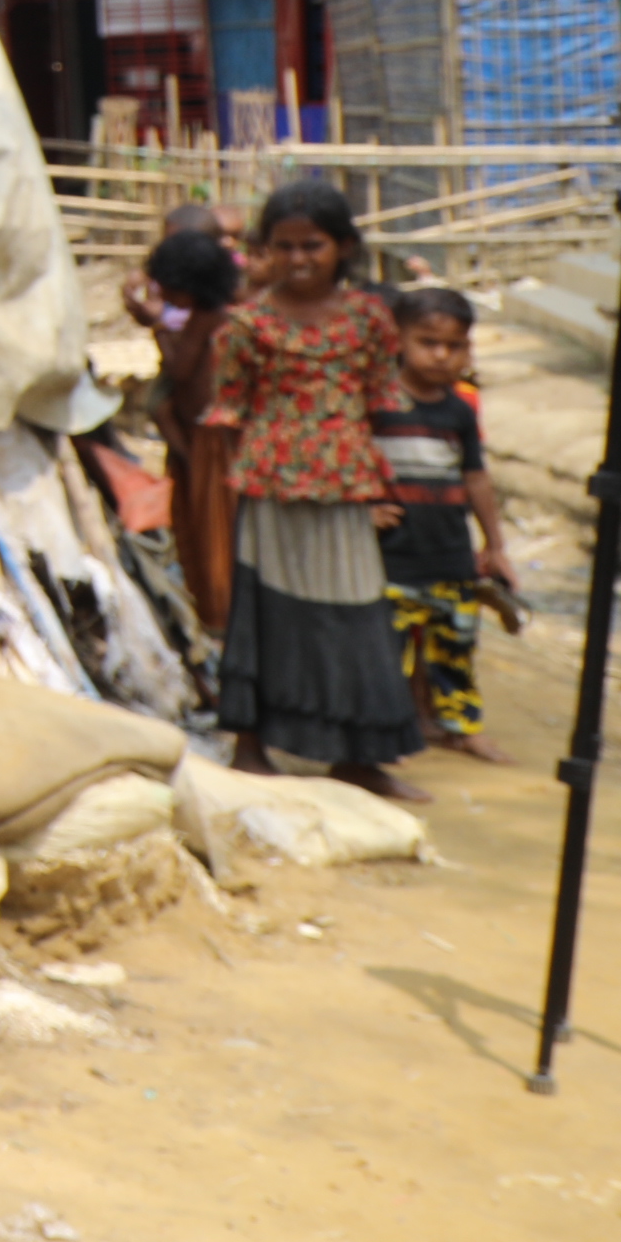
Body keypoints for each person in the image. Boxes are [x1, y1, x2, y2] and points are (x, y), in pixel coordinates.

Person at [201, 178, 422, 797]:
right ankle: (251, 747)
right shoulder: (247, 325)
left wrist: (386, 485)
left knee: (354, 612)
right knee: (266, 608)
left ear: (343, 247)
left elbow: (380, 399)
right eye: (285, 246)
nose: (298, 259)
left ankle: (358, 757)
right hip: (270, 484)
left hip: (346, 483)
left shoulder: (369, 319)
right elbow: (230, 412)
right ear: (265, 250)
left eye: (312, 246)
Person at [376, 285, 525, 761]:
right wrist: (364, 510)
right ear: (398, 340)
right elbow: (352, 464)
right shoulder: (377, 404)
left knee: (455, 646)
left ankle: (462, 727)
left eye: (455, 345)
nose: (442, 355)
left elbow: (476, 478)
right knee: (388, 651)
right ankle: (390, 731)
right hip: (393, 557)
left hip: (451, 554)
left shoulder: (459, 410)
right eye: (428, 342)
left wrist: (494, 545)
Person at [132, 203, 240, 631]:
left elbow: (179, 372)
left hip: (209, 441)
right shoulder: (227, 313)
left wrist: (159, 328)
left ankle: (219, 617)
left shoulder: (203, 321)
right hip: (211, 435)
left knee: (212, 531)